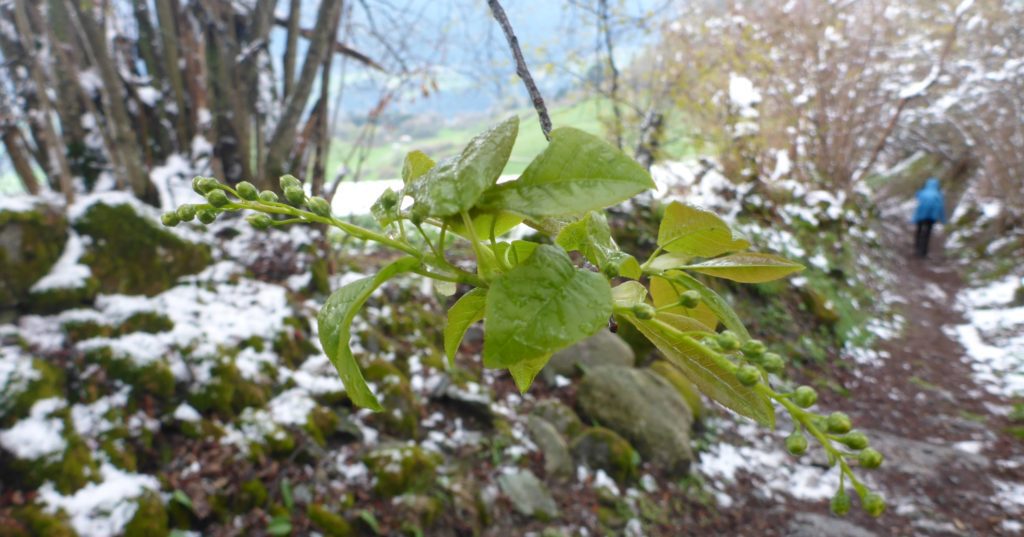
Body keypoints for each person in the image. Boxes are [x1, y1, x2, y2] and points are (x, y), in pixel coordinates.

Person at [912, 177, 946, 258]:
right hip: (931, 217)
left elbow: (917, 203)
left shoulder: (922, 192)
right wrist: (943, 219)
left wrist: (914, 218)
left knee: (919, 231)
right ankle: (923, 252)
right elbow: (941, 208)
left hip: (920, 216)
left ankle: (916, 248)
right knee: (927, 234)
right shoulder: (938, 195)